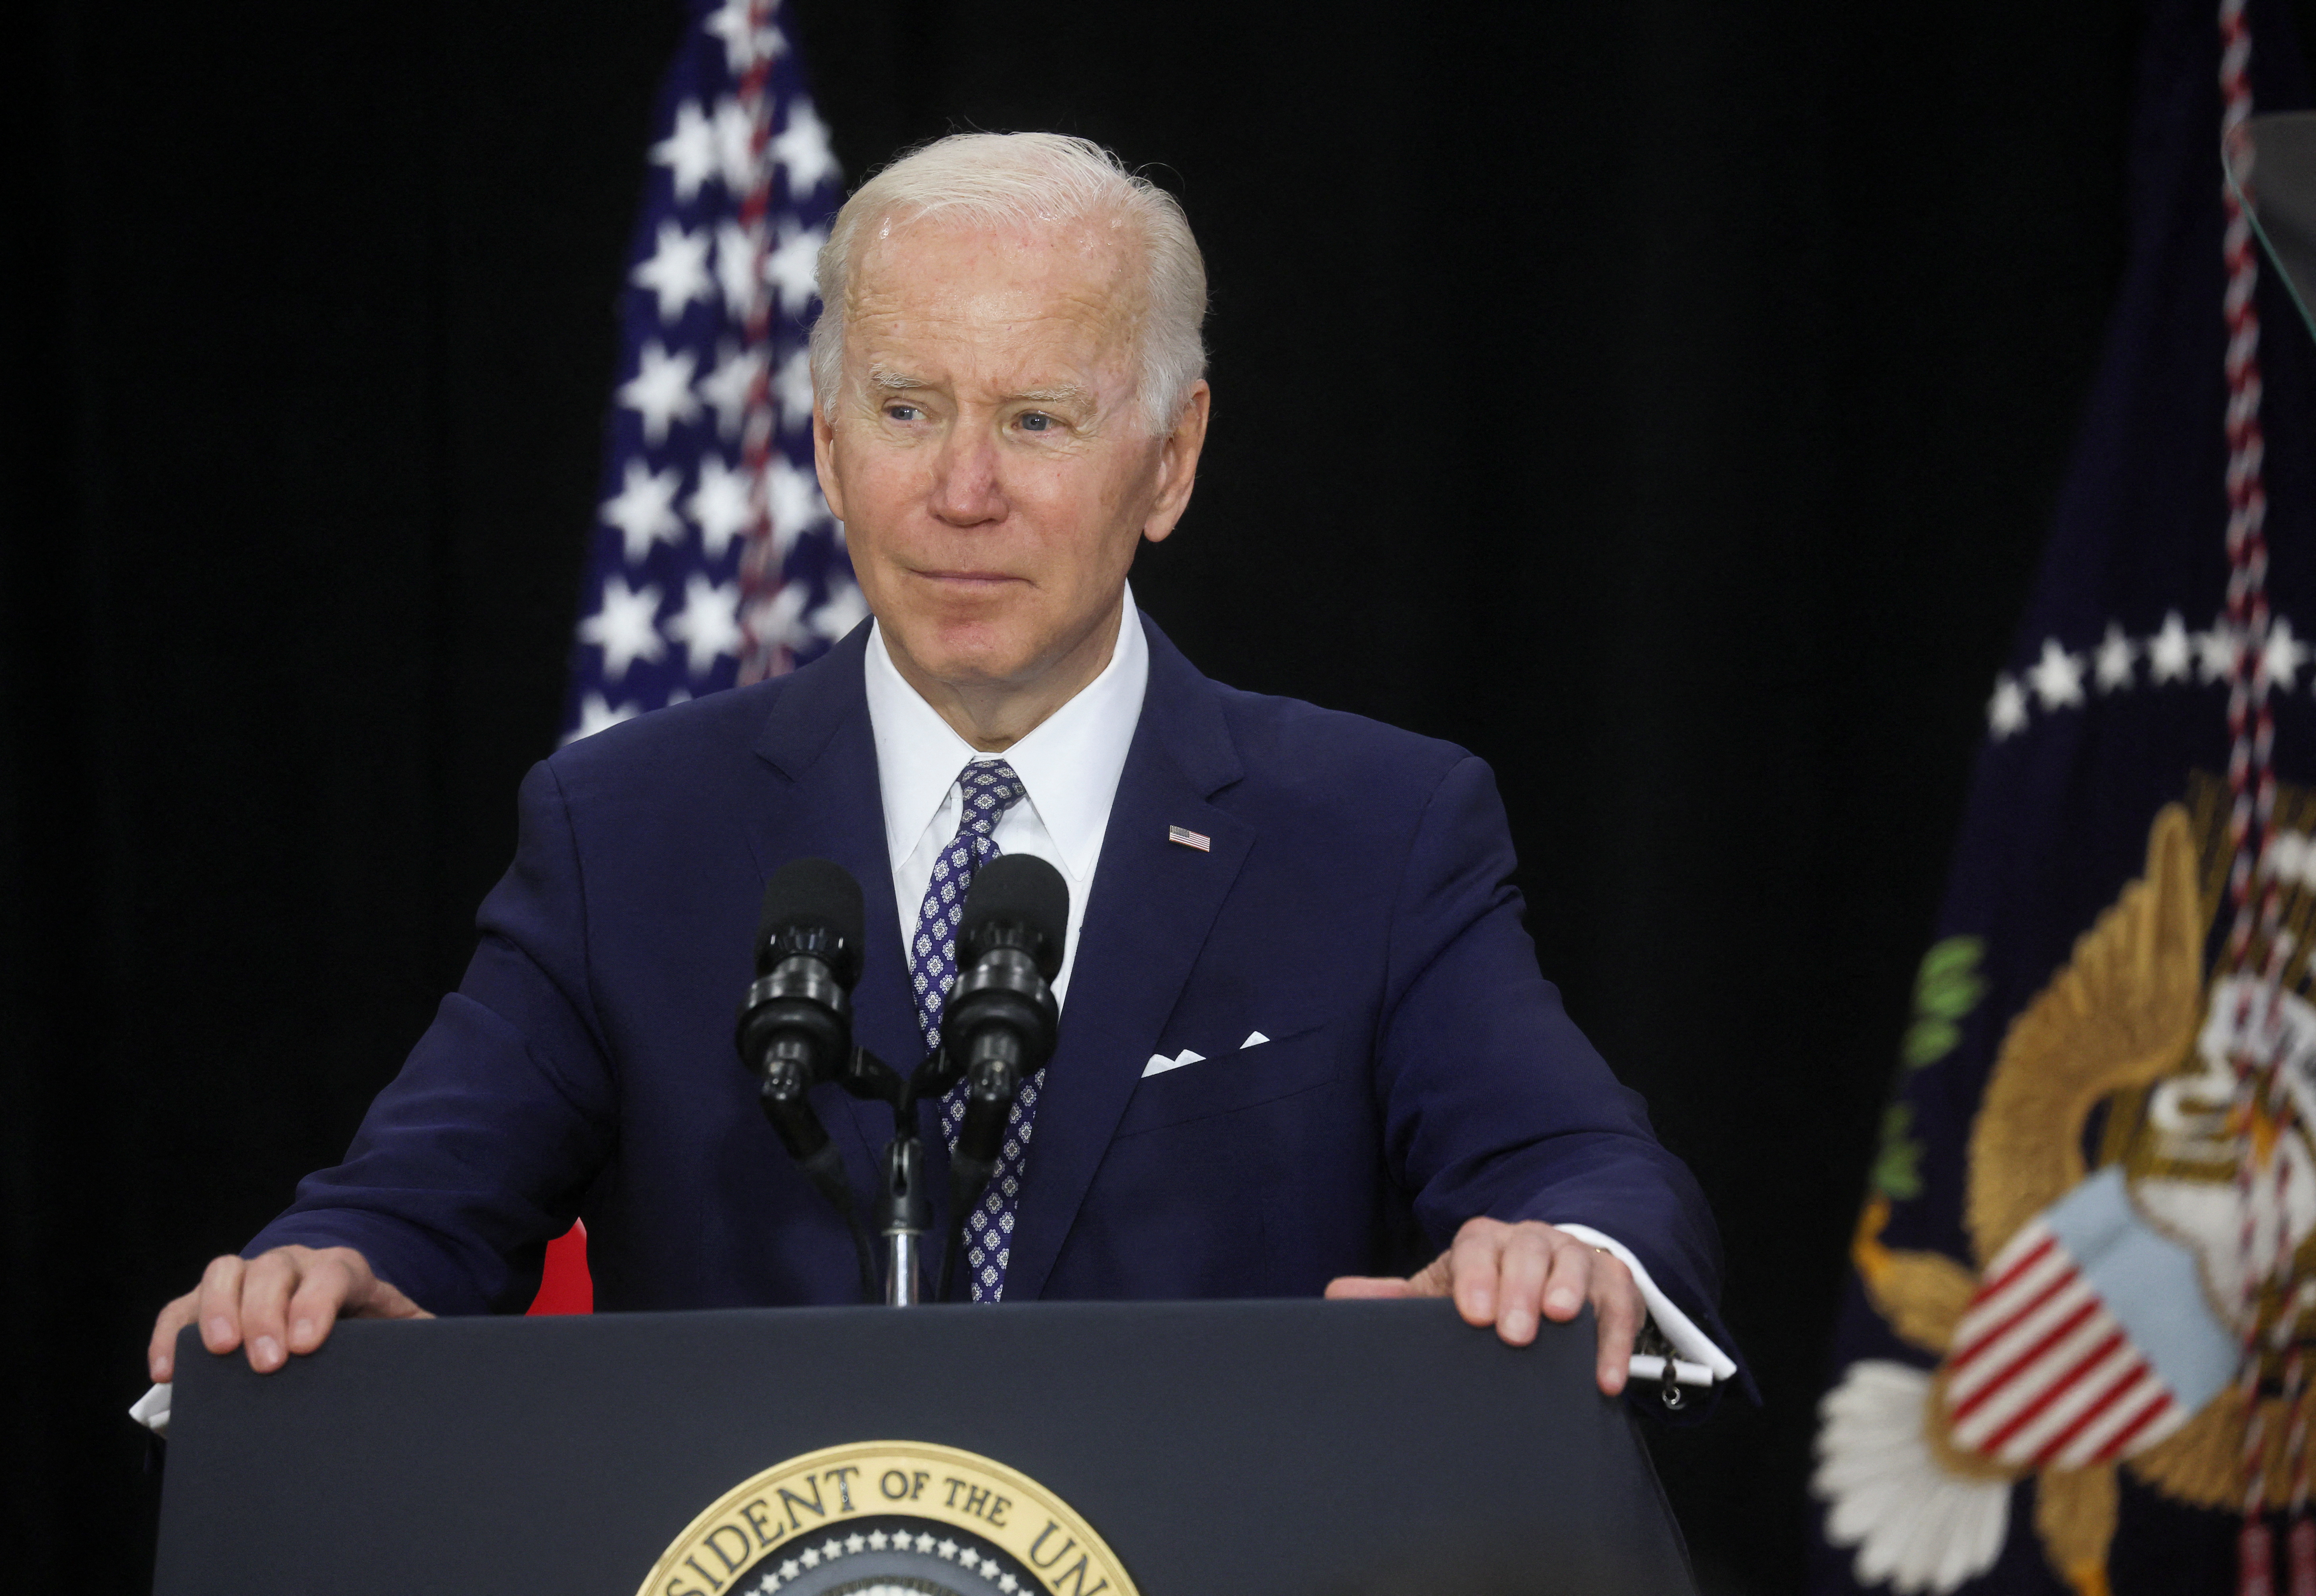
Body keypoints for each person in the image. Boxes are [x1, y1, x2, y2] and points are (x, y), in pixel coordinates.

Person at [144, 132, 1739, 1407]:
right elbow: (411, 1206)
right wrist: (325, 1278)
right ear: (828, 446)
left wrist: (1568, 1253)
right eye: (908, 409)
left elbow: (1582, 1169)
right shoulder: (628, 830)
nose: (962, 491)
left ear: (1171, 460)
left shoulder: (1373, 829)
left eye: (1037, 419)